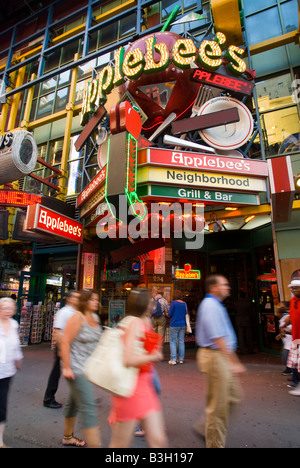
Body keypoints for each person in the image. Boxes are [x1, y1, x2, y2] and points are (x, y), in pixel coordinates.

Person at [109, 288, 168, 448]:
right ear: (143, 302)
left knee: (158, 440)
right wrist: (153, 357)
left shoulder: (144, 321)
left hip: (144, 384)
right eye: (150, 299)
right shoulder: (134, 323)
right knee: (120, 444)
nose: (153, 302)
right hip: (130, 388)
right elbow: (128, 359)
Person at [195, 275, 246, 448]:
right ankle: (214, 443)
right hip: (216, 357)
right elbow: (218, 338)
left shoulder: (215, 305)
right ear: (214, 287)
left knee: (234, 396)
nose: (228, 287)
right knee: (218, 409)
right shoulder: (210, 306)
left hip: (220, 356)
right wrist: (234, 361)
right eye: (224, 285)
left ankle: (205, 427)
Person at [60, 290, 102, 447]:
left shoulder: (96, 317)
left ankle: (68, 436)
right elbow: (65, 342)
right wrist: (66, 367)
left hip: (88, 369)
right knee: (88, 406)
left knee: (74, 403)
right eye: (93, 300)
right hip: (76, 368)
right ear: (84, 301)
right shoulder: (77, 318)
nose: (96, 302)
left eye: (97, 299)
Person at [43, 291, 80, 408]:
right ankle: (48, 398)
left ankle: (79, 398)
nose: (78, 299)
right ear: (69, 299)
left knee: (75, 371)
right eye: (75, 297)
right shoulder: (64, 312)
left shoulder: (76, 312)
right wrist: (59, 348)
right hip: (63, 346)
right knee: (56, 372)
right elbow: (57, 331)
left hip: (72, 346)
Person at [0, 297, 23, 448]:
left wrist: (18, 358)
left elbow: (16, 346)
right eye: (4, 309)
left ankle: (0, 441)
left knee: (2, 405)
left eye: (10, 309)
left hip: (7, 371)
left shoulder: (14, 324)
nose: (7, 312)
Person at [280, 279, 300, 396]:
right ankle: (296, 382)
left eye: (296, 288)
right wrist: (284, 325)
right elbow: (291, 316)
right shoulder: (293, 301)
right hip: (296, 339)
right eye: (292, 288)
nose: (294, 290)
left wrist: (288, 329)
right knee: (297, 363)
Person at [167, 290, 188, 365]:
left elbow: (170, 314)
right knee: (181, 341)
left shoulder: (173, 303)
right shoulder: (184, 304)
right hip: (183, 324)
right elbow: (186, 313)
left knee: (173, 341)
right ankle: (181, 359)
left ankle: (173, 359)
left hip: (174, 324)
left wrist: (166, 313)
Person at [234, 290, 253, 354]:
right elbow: (251, 312)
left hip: (239, 320)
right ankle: (249, 350)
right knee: (248, 335)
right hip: (247, 320)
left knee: (241, 335)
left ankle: (242, 350)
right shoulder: (248, 303)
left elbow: (235, 312)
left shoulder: (236, 303)